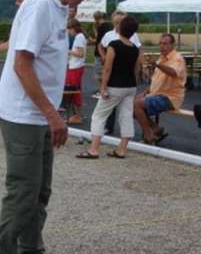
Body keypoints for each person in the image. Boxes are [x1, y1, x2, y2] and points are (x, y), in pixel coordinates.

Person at [0, 0, 99, 254]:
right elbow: (22, 65)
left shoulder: (59, 8)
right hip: (24, 113)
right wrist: (52, 114)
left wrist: (52, 112)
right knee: (22, 190)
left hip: (39, 112)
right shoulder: (39, 5)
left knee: (40, 188)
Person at [77, 15, 141, 159]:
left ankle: (93, 149)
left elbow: (107, 68)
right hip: (130, 86)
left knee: (99, 116)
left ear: (121, 28)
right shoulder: (135, 49)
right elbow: (136, 69)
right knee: (126, 116)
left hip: (115, 85)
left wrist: (103, 87)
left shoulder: (114, 45)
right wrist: (134, 85)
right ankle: (122, 149)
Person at [133, 33, 187, 145]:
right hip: (157, 94)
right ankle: (155, 128)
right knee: (130, 105)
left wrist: (157, 64)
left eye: (165, 44)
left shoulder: (177, 58)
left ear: (173, 45)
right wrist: (146, 92)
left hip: (170, 97)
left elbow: (173, 72)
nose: (162, 46)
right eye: (161, 43)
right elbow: (157, 80)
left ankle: (149, 136)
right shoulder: (162, 58)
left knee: (137, 105)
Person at [64, 19, 87, 124]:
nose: (69, 32)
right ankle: (77, 115)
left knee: (74, 92)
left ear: (73, 28)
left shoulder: (78, 37)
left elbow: (80, 53)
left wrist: (67, 51)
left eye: (69, 29)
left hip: (75, 67)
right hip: (76, 66)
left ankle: (78, 116)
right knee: (75, 91)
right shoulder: (80, 37)